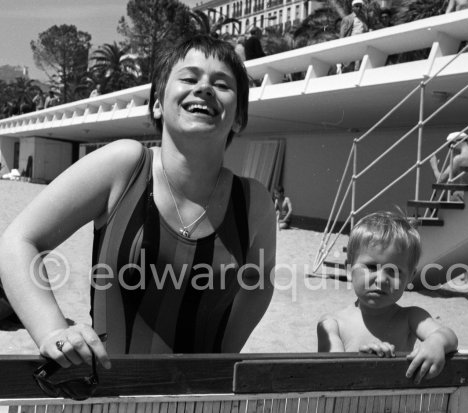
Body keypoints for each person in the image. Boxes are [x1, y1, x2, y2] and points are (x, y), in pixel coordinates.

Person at [0, 35, 276, 369]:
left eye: (221, 84)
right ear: (158, 103)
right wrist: (53, 333)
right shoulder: (126, 166)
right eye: (189, 78)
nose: (204, 88)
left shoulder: (251, 202)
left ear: (239, 118)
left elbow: (260, 283)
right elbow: (17, 242)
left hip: (199, 399)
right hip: (107, 398)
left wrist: (225, 352)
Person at [317, 211, 458, 383]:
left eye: (394, 271)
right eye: (370, 267)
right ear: (349, 269)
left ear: (409, 278)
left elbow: (448, 335)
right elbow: (329, 373)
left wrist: (436, 342)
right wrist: (358, 361)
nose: (382, 279)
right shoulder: (332, 324)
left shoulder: (411, 317)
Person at [430, 131, 468, 202]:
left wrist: (434, 166)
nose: (451, 150)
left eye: (449, 146)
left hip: (463, 199)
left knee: (440, 196)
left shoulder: (459, 159)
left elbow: (440, 180)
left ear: (454, 143)